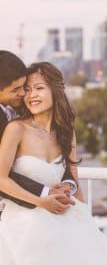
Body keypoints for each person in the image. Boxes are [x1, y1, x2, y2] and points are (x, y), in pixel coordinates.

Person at [0, 62, 107, 265]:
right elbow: (1, 178)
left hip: (65, 219)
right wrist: (40, 201)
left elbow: (74, 178)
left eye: (39, 88)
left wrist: (82, 214)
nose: (31, 95)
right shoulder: (16, 129)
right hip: (24, 227)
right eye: (27, 90)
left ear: (54, 90)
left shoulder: (66, 132)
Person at [0, 50, 74, 212]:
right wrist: (44, 195)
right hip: (20, 212)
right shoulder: (16, 128)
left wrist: (68, 186)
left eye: (23, 88)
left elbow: (69, 170)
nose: (24, 94)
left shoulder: (18, 111)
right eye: (16, 89)